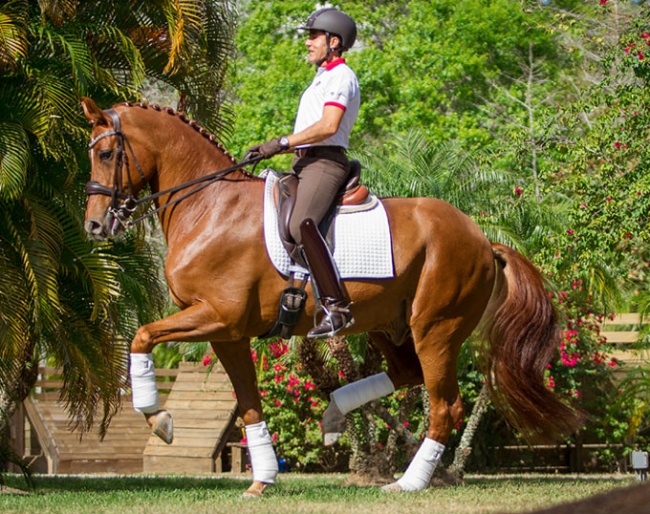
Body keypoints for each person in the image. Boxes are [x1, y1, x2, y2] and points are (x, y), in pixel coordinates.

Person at [246, 7, 359, 339]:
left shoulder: (341, 76)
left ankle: (337, 307)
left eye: (313, 36)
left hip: (325, 162)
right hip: (304, 162)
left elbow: (328, 126)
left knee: (300, 223)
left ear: (333, 41)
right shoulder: (322, 76)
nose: (308, 43)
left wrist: (281, 142)